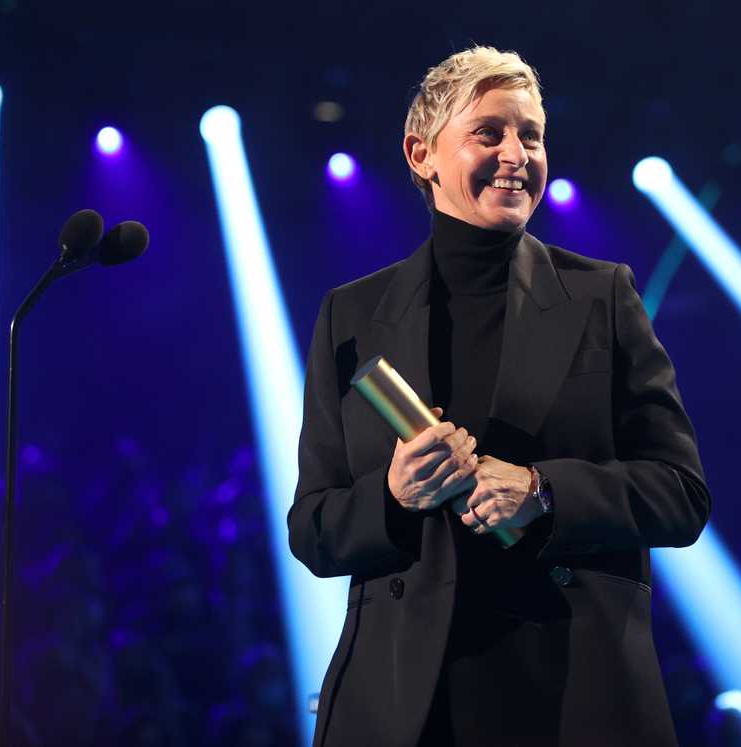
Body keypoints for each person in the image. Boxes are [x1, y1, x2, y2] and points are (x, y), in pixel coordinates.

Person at [288, 46, 710, 747]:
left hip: (570, 695)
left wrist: (544, 491)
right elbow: (314, 527)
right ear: (421, 153)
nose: (517, 153)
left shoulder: (601, 296)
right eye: (490, 132)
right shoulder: (352, 315)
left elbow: (682, 493)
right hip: (406, 707)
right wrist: (392, 496)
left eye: (532, 135)